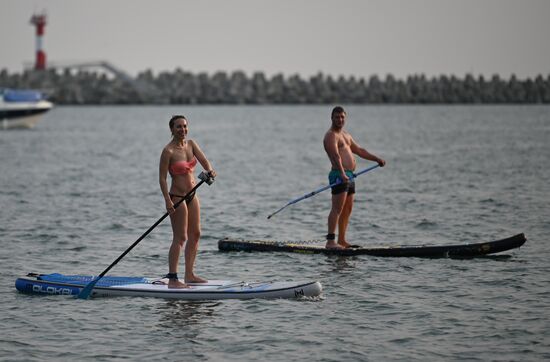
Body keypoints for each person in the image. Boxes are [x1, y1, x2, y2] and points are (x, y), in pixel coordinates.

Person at [159, 115, 216, 288]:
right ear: (171, 129)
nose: (182, 130)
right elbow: (162, 179)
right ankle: (173, 280)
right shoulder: (168, 151)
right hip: (177, 197)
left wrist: (210, 171)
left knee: (196, 234)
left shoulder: (191, 144)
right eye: (178, 127)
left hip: (192, 195)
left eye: (184, 126)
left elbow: (205, 161)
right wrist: (168, 201)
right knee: (180, 237)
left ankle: (189, 274)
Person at [323, 106, 385, 249]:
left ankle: (342, 240)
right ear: (331, 118)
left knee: (347, 209)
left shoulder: (346, 135)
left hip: (350, 176)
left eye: (342, 117)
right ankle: (330, 242)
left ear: (345, 118)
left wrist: (377, 159)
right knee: (336, 209)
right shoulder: (331, 135)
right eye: (337, 117)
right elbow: (335, 156)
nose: (340, 119)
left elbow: (359, 150)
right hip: (339, 175)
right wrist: (343, 174)